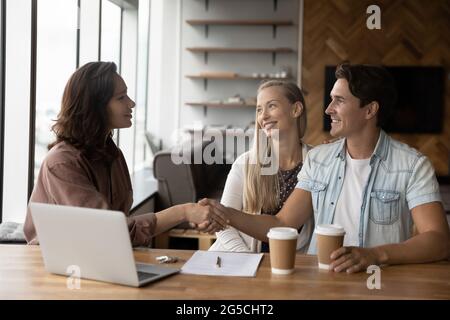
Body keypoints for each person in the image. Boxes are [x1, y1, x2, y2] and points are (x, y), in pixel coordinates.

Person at [201, 63, 450, 272]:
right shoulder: (318, 159)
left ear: (370, 110)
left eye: (339, 101)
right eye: (330, 100)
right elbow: (282, 223)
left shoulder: (413, 165)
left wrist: (374, 255)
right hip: (320, 280)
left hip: (380, 283)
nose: (328, 109)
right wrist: (225, 213)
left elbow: (438, 241)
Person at [24, 61, 227, 246]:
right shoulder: (61, 163)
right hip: (55, 269)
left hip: (100, 256)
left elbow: (115, 232)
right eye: (121, 97)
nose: (131, 103)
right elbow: (111, 232)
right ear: (95, 106)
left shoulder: (113, 155)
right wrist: (183, 212)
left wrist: (190, 213)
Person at [208, 80, 314, 253]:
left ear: (296, 109)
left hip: (292, 264)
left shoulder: (317, 163)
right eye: (259, 110)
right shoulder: (244, 164)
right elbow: (223, 225)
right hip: (238, 258)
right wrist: (247, 259)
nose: (263, 117)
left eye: (271, 106)